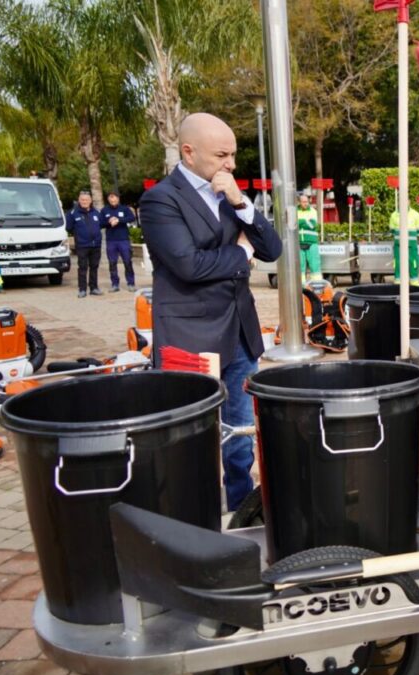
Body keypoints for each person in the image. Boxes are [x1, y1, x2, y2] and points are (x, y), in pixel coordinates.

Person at [138, 112, 282, 512]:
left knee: (240, 432)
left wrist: (240, 203)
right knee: (190, 436)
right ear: (189, 151)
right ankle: (189, 513)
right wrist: (240, 253)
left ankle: (241, 508)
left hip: (240, 333)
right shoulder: (160, 199)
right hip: (192, 338)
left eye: (233, 154)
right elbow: (188, 265)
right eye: (222, 155)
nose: (231, 164)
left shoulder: (228, 194)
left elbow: (272, 249)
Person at [66, 190, 104, 298]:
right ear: (79, 200)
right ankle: (82, 289)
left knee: (94, 267)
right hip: (82, 245)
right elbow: (68, 227)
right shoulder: (73, 213)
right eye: (82, 199)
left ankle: (94, 288)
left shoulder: (96, 212)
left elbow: (101, 225)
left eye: (86, 199)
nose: (84, 201)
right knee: (82, 267)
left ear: (90, 200)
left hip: (96, 244)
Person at [99, 191, 137, 292]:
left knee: (127, 262)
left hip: (123, 239)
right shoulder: (104, 210)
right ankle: (115, 284)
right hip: (111, 241)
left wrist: (119, 220)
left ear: (118, 199)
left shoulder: (124, 209)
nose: (113, 200)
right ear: (108, 199)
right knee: (112, 263)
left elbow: (132, 218)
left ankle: (131, 283)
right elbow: (100, 223)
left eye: (115, 198)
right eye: (111, 198)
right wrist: (109, 222)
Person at [389, 204, 419, 286]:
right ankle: (398, 281)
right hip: (400, 244)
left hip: (410, 244)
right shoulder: (394, 215)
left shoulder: (415, 214)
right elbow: (392, 229)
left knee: (413, 261)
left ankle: (414, 281)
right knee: (398, 262)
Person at [297, 193, 322, 282]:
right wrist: (305, 221)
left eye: (306, 201)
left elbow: (312, 225)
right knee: (300, 268)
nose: (305, 203)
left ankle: (317, 285)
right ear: (299, 202)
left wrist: (299, 222)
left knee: (315, 266)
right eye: (303, 202)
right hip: (299, 243)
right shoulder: (295, 211)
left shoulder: (313, 211)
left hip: (312, 243)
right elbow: (293, 223)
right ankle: (301, 287)